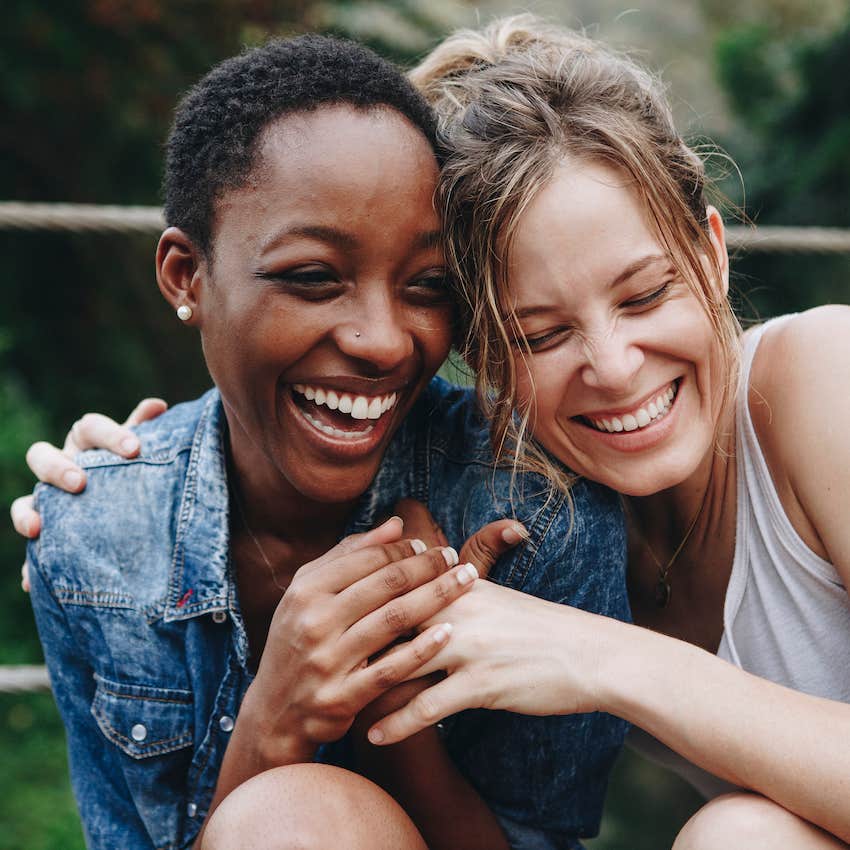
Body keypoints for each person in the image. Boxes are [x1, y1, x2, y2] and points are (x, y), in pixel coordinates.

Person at [14, 32, 630, 850]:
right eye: (312, 277)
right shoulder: (94, 542)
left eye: (428, 287)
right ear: (185, 277)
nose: (382, 341)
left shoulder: (532, 514)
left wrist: (398, 710)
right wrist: (275, 722)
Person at [361, 17, 850, 849]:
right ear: (480, 358)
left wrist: (608, 660)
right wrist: (125, 470)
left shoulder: (821, 378)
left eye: (645, 295)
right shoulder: (548, 513)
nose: (616, 368)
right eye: (541, 335)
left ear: (711, 253)